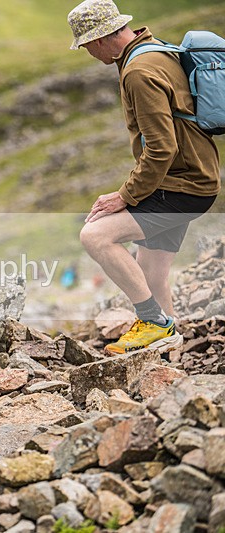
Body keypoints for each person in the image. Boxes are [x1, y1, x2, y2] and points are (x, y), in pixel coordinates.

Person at [68, 0, 220, 355]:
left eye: (87, 44)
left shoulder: (138, 71)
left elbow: (162, 148)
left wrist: (124, 195)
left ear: (103, 37)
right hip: (195, 177)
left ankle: (152, 320)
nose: (88, 52)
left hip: (182, 185)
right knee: (151, 271)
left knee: (95, 235)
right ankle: (167, 349)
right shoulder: (157, 50)